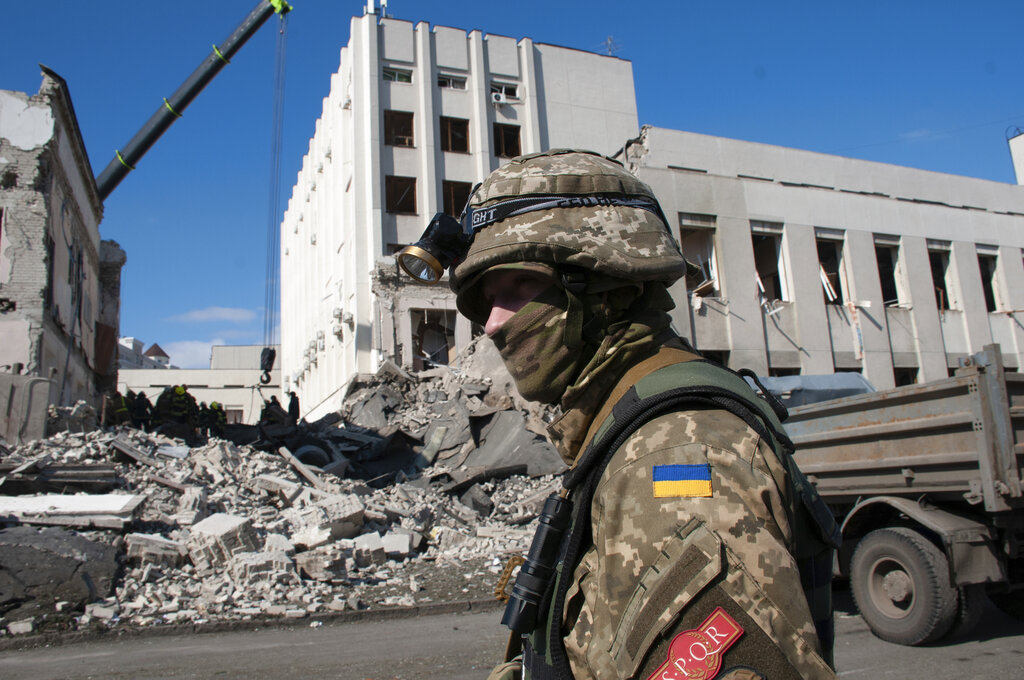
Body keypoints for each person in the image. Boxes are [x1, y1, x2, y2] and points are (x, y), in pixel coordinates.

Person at [427, 150, 839, 680]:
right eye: (486, 301)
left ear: (609, 289)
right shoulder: (620, 428)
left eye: (518, 288)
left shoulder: (674, 455)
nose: (492, 324)